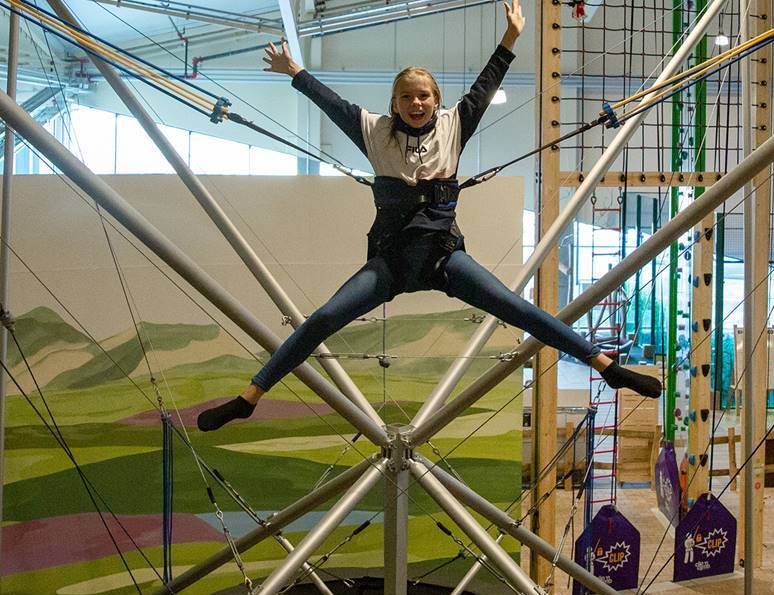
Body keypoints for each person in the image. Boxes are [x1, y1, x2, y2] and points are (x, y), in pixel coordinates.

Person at [198, 0, 662, 432]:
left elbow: (486, 84)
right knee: (321, 320)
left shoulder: (454, 125)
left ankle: (606, 366)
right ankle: (250, 396)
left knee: (519, 310)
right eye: (406, 97)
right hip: (390, 264)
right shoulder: (374, 131)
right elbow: (332, 104)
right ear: (395, 103)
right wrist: (294, 71)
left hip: (444, 259)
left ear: (436, 100)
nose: (415, 104)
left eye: (423, 96)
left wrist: (511, 37)